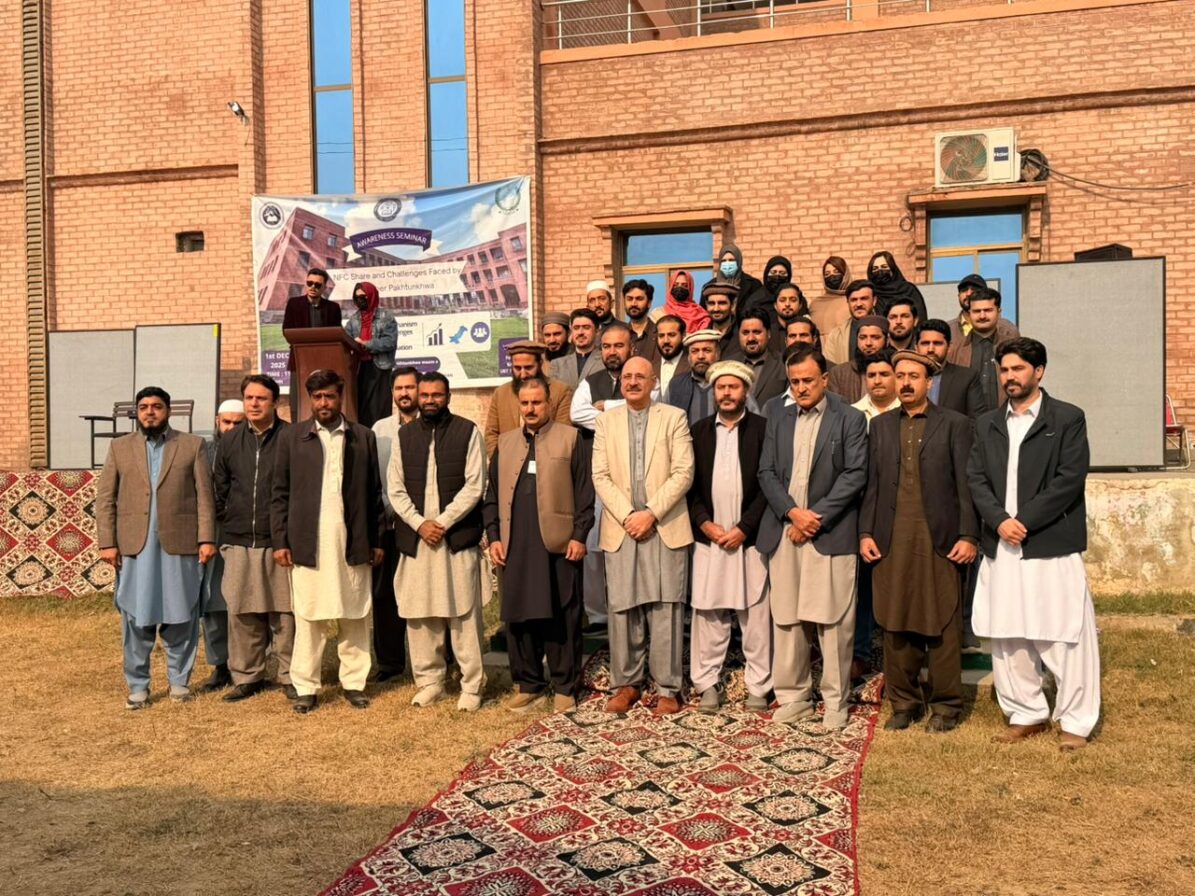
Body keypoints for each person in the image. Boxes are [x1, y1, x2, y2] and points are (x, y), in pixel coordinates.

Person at [968, 338, 1101, 751]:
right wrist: (1000, 521)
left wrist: (1023, 521)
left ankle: (1076, 720)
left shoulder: (1067, 418)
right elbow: (976, 478)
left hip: (1049, 543)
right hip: (1002, 544)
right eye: (1004, 370)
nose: (1009, 377)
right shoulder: (987, 423)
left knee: (1063, 632)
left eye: (1018, 369)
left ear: (1039, 371)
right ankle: (1025, 712)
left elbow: (1069, 479)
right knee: (1007, 633)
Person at [860, 351, 978, 732]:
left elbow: (967, 486)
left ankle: (946, 706)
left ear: (929, 382)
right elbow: (872, 486)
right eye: (901, 376)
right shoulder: (880, 426)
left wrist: (969, 535)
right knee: (895, 620)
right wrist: (865, 533)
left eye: (914, 376)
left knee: (942, 620)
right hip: (891, 539)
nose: (906, 383)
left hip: (939, 540)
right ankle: (905, 703)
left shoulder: (955, 424)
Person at [757, 347, 868, 728]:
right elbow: (766, 472)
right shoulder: (778, 416)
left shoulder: (850, 418)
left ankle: (836, 700)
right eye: (795, 382)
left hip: (829, 532)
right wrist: (792, 513)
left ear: (825, 379)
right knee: (787, 617)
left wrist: (813, 518)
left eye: (808, 380)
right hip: (786, 531)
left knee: (833, 620)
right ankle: (794, 696)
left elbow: (855, 474)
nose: (801, 388)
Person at [96, 386, 217, 709]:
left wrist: (207, 538)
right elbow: (105, 498)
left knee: (182, 614)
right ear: (137, 412)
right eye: (144, 407)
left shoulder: (191, 445)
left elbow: (205, 497)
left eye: (157, 406)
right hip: (135, 549)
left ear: (168, 411)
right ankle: (138, 686)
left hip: (180, 546)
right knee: (136, 617)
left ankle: (179, 683)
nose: (150, 412)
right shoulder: (120, 447)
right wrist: (107, 542)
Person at [271, 369, 384, 714]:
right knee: (309, 617)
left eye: (330, 396)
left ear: (340, 397)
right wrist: (281, 541)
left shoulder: (362, 436)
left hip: (354, 541)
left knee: (355, 615)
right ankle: (306, 686)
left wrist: (377, 539)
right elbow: (279, 493)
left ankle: (354, 683)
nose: (324, 403)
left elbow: (374, 493)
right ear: (310, 399)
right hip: (309, 543)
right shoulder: (293, 437)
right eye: (317, 397)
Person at [483, 377, 594, 713]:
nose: (530, 409)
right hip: (515, 544)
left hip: (558, 545)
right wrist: (494, 537)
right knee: (520, 616)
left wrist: (579, 535)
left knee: (562, 614)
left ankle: (565, 686)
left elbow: (585, 493)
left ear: (548, 404)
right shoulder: (505, 443)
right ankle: (529, 683)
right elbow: (492, 496)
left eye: (537, 402)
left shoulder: (570, 438)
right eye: (525, 403)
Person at [593, 357, 694, 715]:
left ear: (654, 382)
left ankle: (668, 688)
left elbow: (684, 472)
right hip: (622, 528)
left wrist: (650, 513)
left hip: (663, 525)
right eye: (627, 376)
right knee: (623, 607)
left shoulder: (674, 418)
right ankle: (626, 684)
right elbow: (600, 475)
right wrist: (628, 516)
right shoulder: (606, 422)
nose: (633, 382)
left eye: (640, 376)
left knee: (666, 606)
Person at [389, 372, 489, 712]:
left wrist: (442, 522)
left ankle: (472, 684)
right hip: (418, 538)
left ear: (448, 397)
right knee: (420, 612)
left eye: (437, 395)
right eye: (426, 395)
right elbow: (395, 488)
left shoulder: (467, 431)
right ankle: (430, 682)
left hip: (455, 537)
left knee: (463, 612)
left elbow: (475, 485)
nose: (430, 400)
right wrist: (420, 524)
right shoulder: (404, 436)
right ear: (418, 397)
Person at [688, 361, 772, 713]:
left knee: (756, 615)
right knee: (709, 613)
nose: (726, 393)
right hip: (710, 538)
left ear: (745, 391)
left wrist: (744, 528)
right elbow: (690, 487)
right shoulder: (699, 431)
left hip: (749, 539)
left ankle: (759, 686)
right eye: (721, 387)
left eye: (733, 387)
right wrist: (705, 524)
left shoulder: (764, 430)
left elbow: (769, 484)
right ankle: (706, 684)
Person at [213, 375, 295, 703]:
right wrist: (230, 519)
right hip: (239, 540)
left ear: (275, 402)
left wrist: (287, 534)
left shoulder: (292, 437)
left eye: (261, 398)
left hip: (280, 541)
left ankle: (291, 675)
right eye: (249, 398)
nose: (254, 404)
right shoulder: (231, 441)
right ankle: (248, 676)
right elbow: (220, 487)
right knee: (241, 611)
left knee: (285, 613)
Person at [570, 322, 634, 632]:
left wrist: (608, 406)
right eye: (607, 346)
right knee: (594, 546)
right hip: (596, 474)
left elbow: (651, 405)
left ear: (631, 348)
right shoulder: (589, 382)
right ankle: (597, 615)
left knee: (628, 544)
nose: (612, 352)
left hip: (632, 475)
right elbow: (577, 413)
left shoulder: (641, 376)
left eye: (618, 346)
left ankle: (629, 610)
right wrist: (625, 413)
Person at [370, 366, 421, 683]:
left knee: (424, 594)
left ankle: (438, 659)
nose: (404, 393)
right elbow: (374, 477)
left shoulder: (433, 424)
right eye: (399, 388)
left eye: (410, 387)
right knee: (385, 596)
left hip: (423, 528)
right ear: (392, 393)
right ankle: (390, 663)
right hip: (389, 525)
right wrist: (392, 509)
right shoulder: (380, 430)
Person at [197, 398, 245, 694]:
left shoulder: (254, 448)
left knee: (246, 599)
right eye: (226, 422)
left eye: (238, 423)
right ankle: (220, 665)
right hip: (214, 531)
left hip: (247, 531)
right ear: (217, 422)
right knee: (213, 600)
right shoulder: (203, 452)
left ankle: (250, 664)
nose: (231, 428)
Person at [485, 341, 573, 456]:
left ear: (540, 364)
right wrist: (500, 461)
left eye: (528, 368)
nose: (523, 374)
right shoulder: (500, 393)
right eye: (517, 368)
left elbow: (563, 433)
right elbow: (491, 434)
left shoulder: (561, 391)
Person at [281, 268, 342, 418]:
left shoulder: (333, 308)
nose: (313, 287)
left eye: (317, 285)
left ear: (324, 287)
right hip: (299, 361)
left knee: (324, 396)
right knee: (298, 401)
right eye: (310, 283)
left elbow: (336, 335)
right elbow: (287, 331)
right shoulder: (294, 304)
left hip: (325, 361)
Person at [947, 287, 1020, 410]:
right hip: (966, 419)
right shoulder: (955, 350)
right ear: (969, 313)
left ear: (999, 312)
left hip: (1007, 416)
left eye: (988, 310)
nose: (982, 316)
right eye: (976, 311)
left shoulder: (1013, 347)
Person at [344, 281, 398, 428]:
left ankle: (381, 438)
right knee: (363, 409)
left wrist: (366, 344)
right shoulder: (353, 320)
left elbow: (390, 342)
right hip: (360, 369)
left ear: (372, 296)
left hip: (380, 368)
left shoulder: (386, 316)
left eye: (363, 296)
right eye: (356, 297)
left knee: (379, 408)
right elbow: (345, 339)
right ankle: (365, 438)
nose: (359, 300)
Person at [915, 320, 988, 418]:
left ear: (949, 347)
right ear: (916, 348)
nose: (931, 349)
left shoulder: (967, 378)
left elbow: (977, 420)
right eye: (925, 343)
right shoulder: (903, 377)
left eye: (937, 343)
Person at [665, 329, 722, 426]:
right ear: (689, 357)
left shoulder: (731, 383)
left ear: (717, 354)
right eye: (694, 351)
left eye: (707, 350)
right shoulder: (675, 385)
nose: (700, 356)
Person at [827, 315, 888, 404]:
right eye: (862, 338)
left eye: (875, 337)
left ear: (887, 340)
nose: (868, 343)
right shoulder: (838, 374)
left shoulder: (896, 371)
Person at [735, 308, 787, 406]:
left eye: (757, 332)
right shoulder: (728, 364)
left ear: (769, 334)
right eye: (745, 333)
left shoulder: (783, 364)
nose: (751, 338)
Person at [823, 280, 878, 365]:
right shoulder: (836, 336)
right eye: (853, 300)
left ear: (874, 301)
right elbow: (830, 368)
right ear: (848, 302)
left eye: (864, 299)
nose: (858, 304)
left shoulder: (887, 330)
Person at [549, 309, 603, 390]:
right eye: (576, 328)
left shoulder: (605, 360)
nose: (580, 332)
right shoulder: (557, 365)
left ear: (597, 331)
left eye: (586, 327)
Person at [701, 244, 765, 311]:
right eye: (724, 261)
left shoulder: (753, 284)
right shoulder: (709, 286)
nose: (727, 264)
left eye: (731, 260)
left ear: (738, 261)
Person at [867, 250, 926, 320]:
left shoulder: (908, 290)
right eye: (875, 268)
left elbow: (920, 316)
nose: (880, 270)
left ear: (892, 269)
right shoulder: (870, 293)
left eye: (884, 267)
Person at [809, 255, 852, 336]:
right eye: (827, 274)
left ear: (845, 274)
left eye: (836, 272)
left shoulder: (854, 300)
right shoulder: (815, 304)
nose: (832, 276)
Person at [852, 350, 899, 421]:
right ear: (865, 379)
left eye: (884, 375)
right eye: (871, 375)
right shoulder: (852, 413)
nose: (877, 381)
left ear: (897, 377)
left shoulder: (908, 410)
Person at [700, 281, 741, 360]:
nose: (716, 309)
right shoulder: (702, 335)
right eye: (711, 303)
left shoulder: (742, 334)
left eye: (722, 303)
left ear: (733, 305)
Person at [623, 279, 659, 368]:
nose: (633, 303)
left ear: (649, 303)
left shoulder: (660, 334)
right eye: (629, 299)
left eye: (639, 299)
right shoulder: (620, 335)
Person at [663, 270, 710, 335]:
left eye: (684, 285)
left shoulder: (700, 313)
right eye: (675, 285)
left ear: (690, 288)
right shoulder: (660, 312)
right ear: (671, 287)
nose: (679, 287)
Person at [768, 282, 809, 354]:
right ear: (775, 305)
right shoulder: (768, 333)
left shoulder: (809, 330)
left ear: (800, 305)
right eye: (782, 300)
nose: (787, 304)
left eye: (793, 300)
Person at [655, 314, 689, 397]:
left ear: (683, 335)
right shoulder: (650, 367)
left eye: (672, 335)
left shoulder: (692, 366)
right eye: (661, 336)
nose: (666, 341)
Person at [948, 273, 988, 344]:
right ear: (958, 296)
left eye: (975, 289)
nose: (969, 294)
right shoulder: (948, 329)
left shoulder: (1004, 329)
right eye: (964, 290)